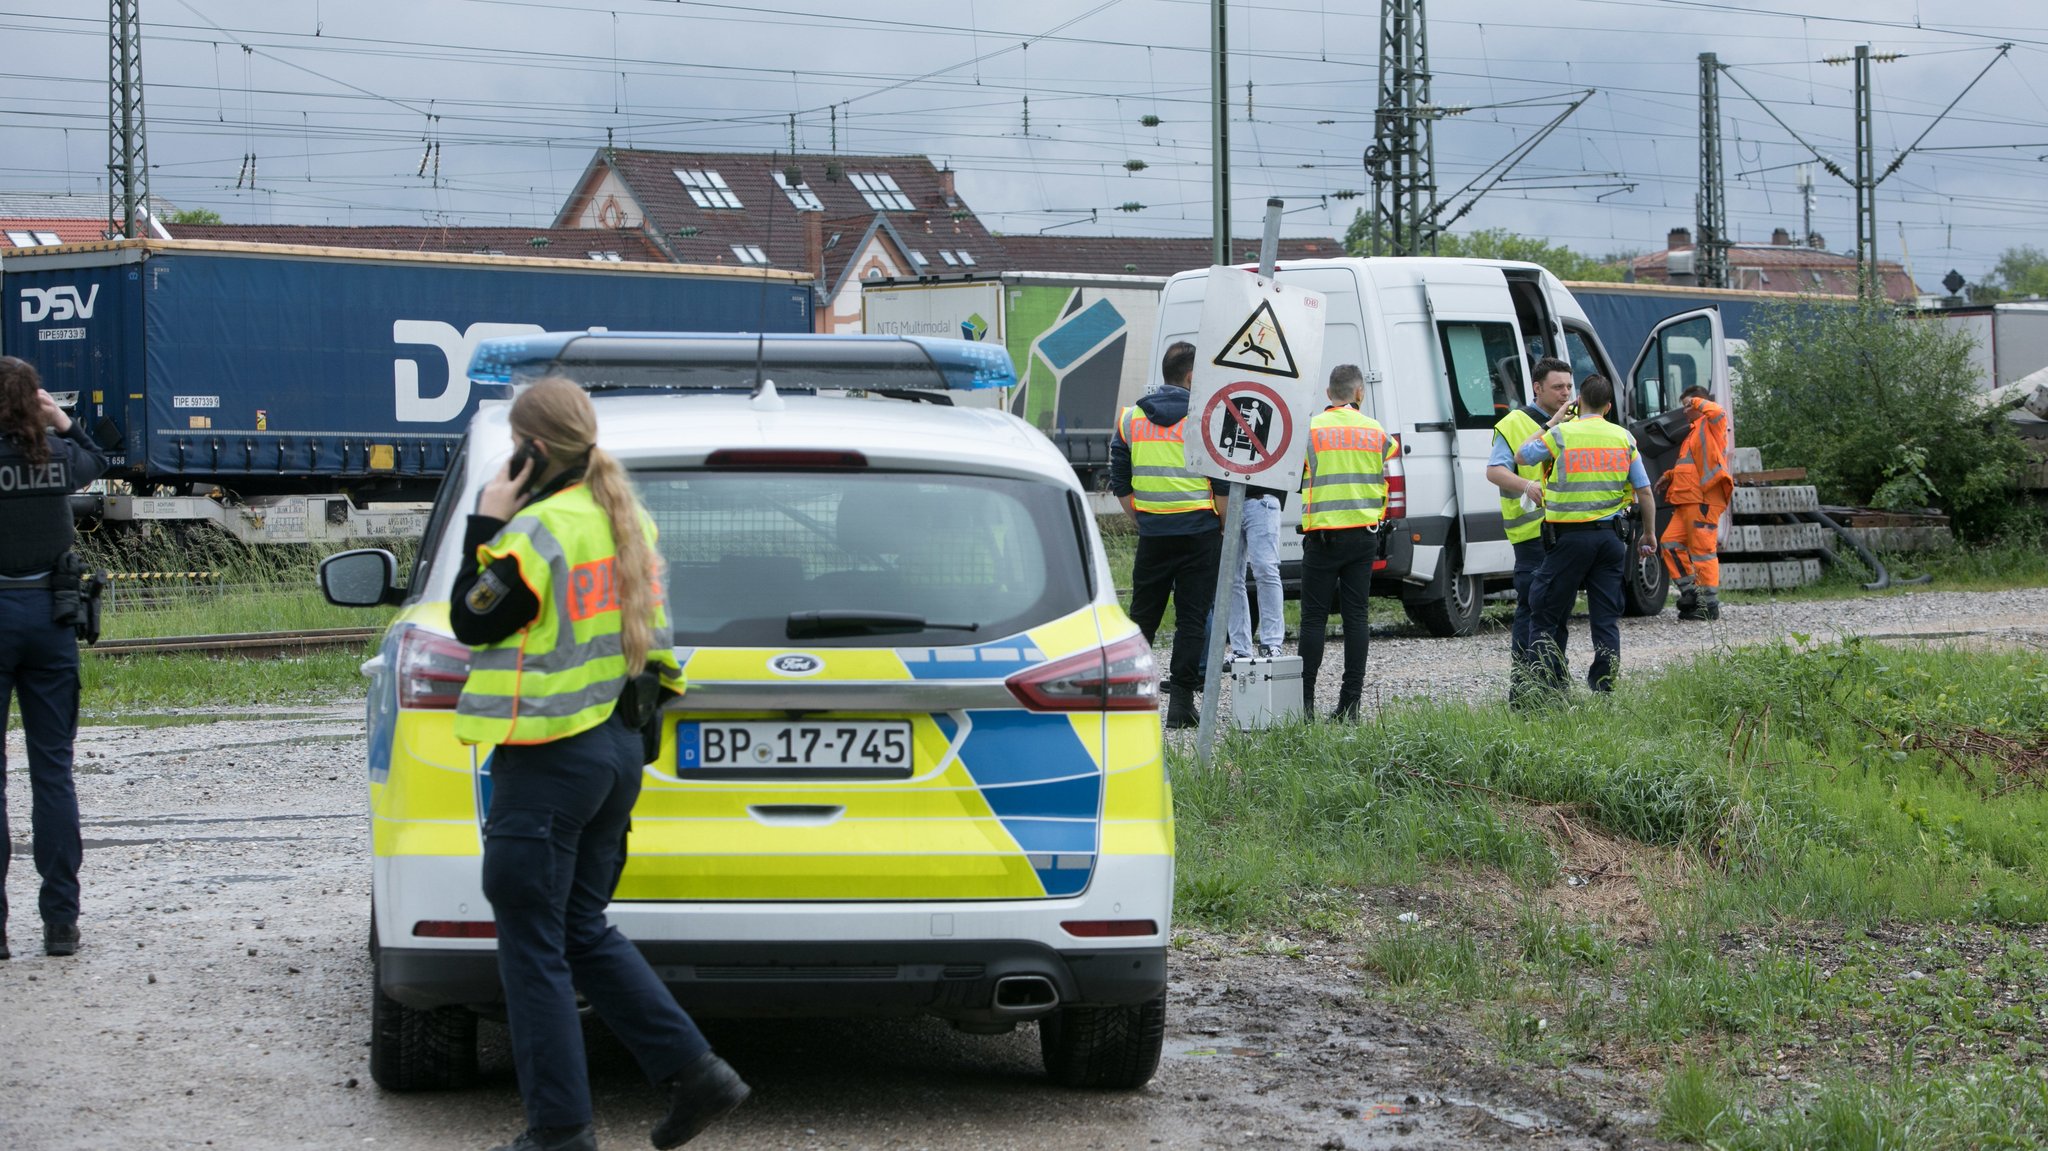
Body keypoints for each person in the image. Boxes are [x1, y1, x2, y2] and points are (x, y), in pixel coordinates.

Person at [451, 377, 746, 1151]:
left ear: (532, 450)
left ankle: (559, 1131)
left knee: (532, 941)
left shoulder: (535, 533)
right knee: (579, 925)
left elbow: (470, 617)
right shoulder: (629, 520)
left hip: (551, 757)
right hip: (617, 752)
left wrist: (487, 517)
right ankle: (696, 1072)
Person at [0, 356, 108, 961]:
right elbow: (97, 460)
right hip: (50, 620)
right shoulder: (58, 461)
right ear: (33, 400)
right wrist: (62, 419)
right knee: (52, 775)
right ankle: (60, 923)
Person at [1516, 374, 1656, 698]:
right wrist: (1649, 534)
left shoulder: (1561, 435)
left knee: (1546, 613)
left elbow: (1522, 455)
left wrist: (1551, 422)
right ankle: (1604, 690)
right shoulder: (1623, 439)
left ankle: (1543, 691)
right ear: (1608, 406)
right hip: (1610, 541)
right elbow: (1645, 492)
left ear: (1578, 401)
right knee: (1606, 619)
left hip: (1568, 540)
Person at [1109, 340, 1223, 729]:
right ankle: (1181, 707)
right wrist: (1219, 523)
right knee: (1192, 619)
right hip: (1199, 533)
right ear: (1191, 377)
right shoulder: (1204, 418)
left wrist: (1142, 518)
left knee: (1143, 616)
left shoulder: (1130, 420)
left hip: (1154, 533)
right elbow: (1221, 485)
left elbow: (1120, 481)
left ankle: (1128, 702)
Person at [1297, 364, 1395, 721]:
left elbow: (1300, 471)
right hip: (1363, 536)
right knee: (1357, 617)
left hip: (1322, 536)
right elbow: (1388, 456)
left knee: (1313, 620)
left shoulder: (1310, 430)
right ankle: (1350, 705)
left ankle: (1304, 706)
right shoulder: (1376, 432)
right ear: (1359, 393)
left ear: (1328, 394)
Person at [1486, 356, 1574, 706]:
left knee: (1561, 611)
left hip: (1569, 531)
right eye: (1558, 387)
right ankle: (1524, 694)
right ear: (1538, 388)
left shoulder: (1578, 423)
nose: (1565, 393)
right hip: (1532, 538)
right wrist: (1526, 486)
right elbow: (1495, 471)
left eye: (1569, 386)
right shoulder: (1514, 423)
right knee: (1533, 613)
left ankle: (1555, 690)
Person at [1657, 385, 1733, 621]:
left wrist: (1698, 402)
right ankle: (1691, 595)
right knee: (1669, 544)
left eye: (1687, 405)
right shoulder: (1693, 432)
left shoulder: (1712, 425)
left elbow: (1719, 411)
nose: (1684, 411)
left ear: (1699, 404)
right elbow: (1690, 465)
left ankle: (1708, 606)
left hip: (1703, 499)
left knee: (1703, 552)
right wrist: (1669, 476)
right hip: (1686, 499)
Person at [1226, 480, 1287, 661]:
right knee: (1230, 578)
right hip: (1226, 500)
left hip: (1262, 498)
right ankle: (1240, 649)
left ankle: (1273, 643)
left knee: (1266, 569)